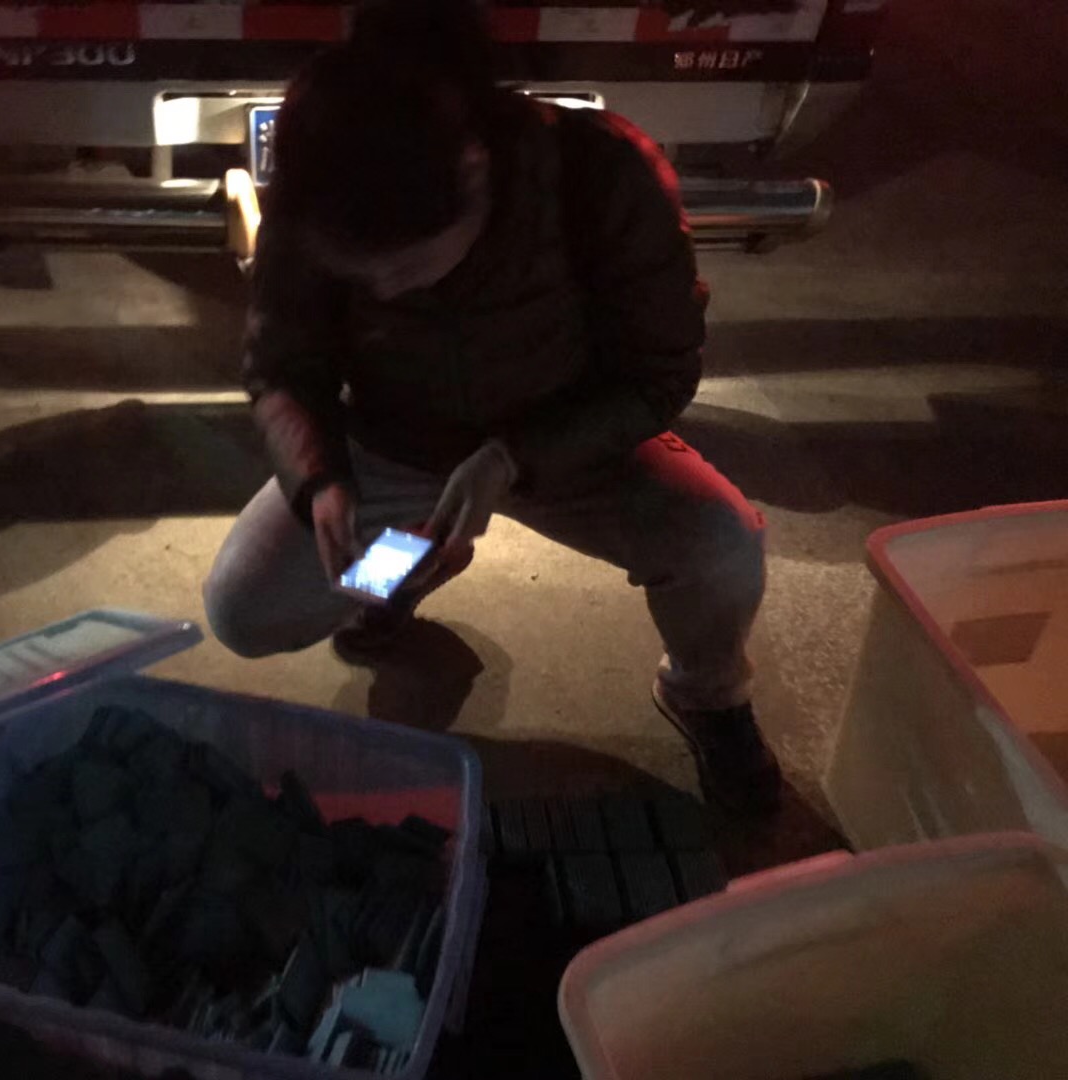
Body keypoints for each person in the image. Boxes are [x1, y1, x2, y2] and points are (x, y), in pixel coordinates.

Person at [203, 0, 780, 813]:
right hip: (400, 448)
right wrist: (321, 480)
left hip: (574, 447)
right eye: (359, 273)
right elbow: (282, 366)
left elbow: (659, 374)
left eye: (405, 266)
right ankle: (406, 574)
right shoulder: (322, 176)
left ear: (473, 172)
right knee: (245, 608)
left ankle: (707, 694)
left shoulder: (603, 173)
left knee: (723, 544)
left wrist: (516, 458)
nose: (382, 290)